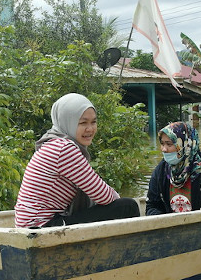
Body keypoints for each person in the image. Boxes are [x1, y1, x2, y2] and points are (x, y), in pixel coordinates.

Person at [15, 93, 140, 228]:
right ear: (67, 122)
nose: (90, 129)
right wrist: (117, 200)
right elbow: (103, 196)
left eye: (93, 122)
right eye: (82, 123)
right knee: (127, 206)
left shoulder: (52, 142)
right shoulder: (64, 149)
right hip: (40, 226)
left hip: (33, 223)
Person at [146, 121, 201, 215]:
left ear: (186, 144)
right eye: (162, 144)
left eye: (169, 144)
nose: (164, 149)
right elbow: (152, 205)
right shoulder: (161, 170)